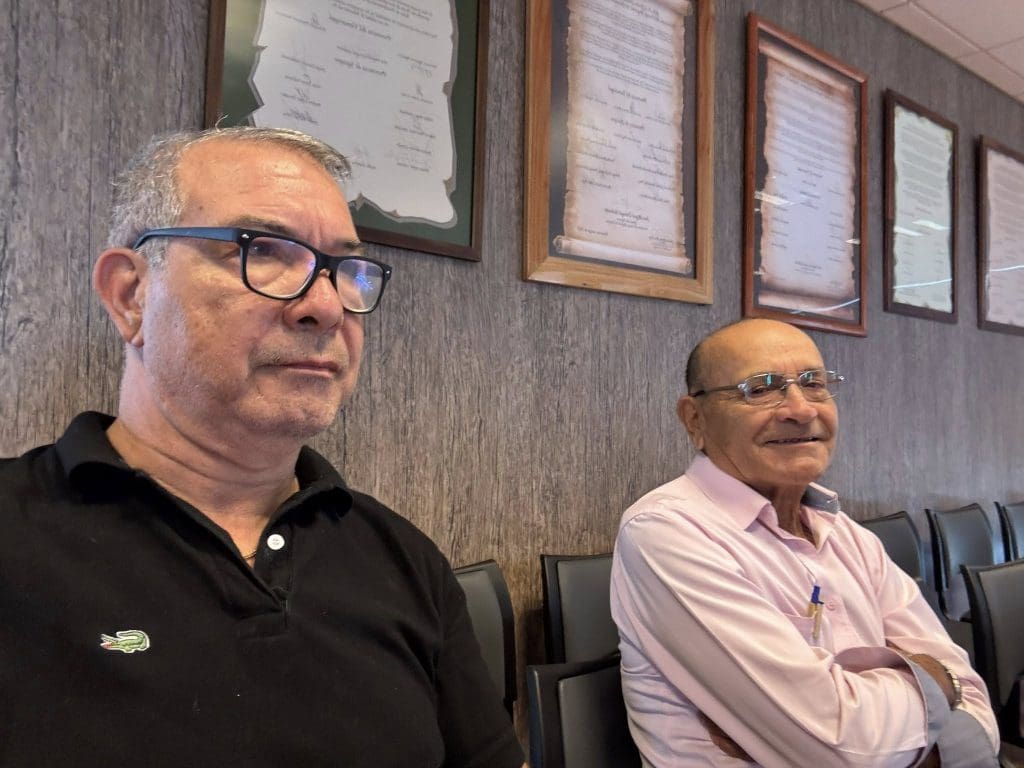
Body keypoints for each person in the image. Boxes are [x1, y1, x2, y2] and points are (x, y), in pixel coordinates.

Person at [0, 126, 524, 768]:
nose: (326, 307)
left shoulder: (405, 559)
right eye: (265, 252)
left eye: (344, 270)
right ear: (131, 296)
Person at [610, 318, 1000, 767]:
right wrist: (934, 686)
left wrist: (920, 705)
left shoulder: (850, 537)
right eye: (762, 388)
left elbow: (973, 698)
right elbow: (842, 749)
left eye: (814, 384)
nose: (800, 409)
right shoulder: (668, 532)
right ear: (694, 418)